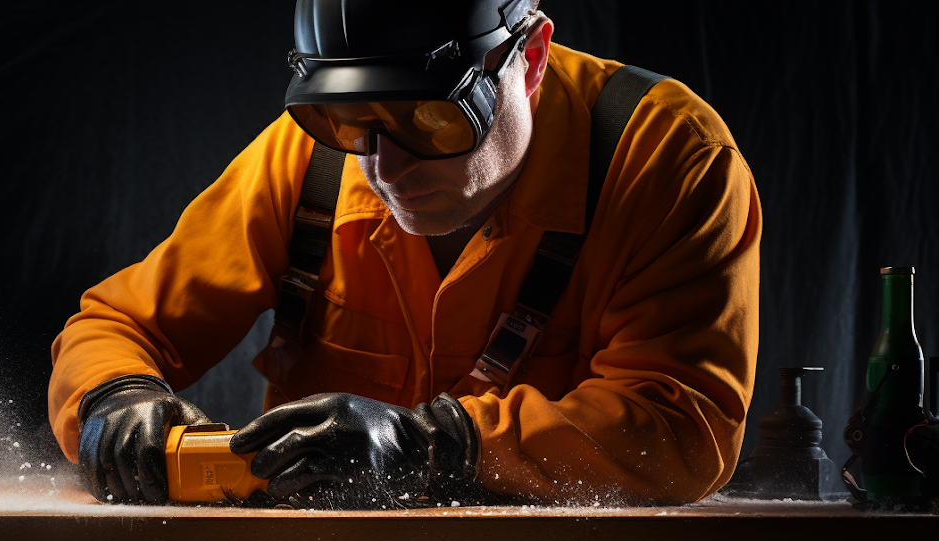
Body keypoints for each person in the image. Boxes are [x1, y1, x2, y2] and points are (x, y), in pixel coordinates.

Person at [49, 0, 760, 507]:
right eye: (352, 120)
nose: (385, 168)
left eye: (430, 117)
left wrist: (438, 446)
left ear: (531, 60)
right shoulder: (313, 159)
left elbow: (681, 428)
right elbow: (117, 327)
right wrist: (113, 395)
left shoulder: (668, 160)